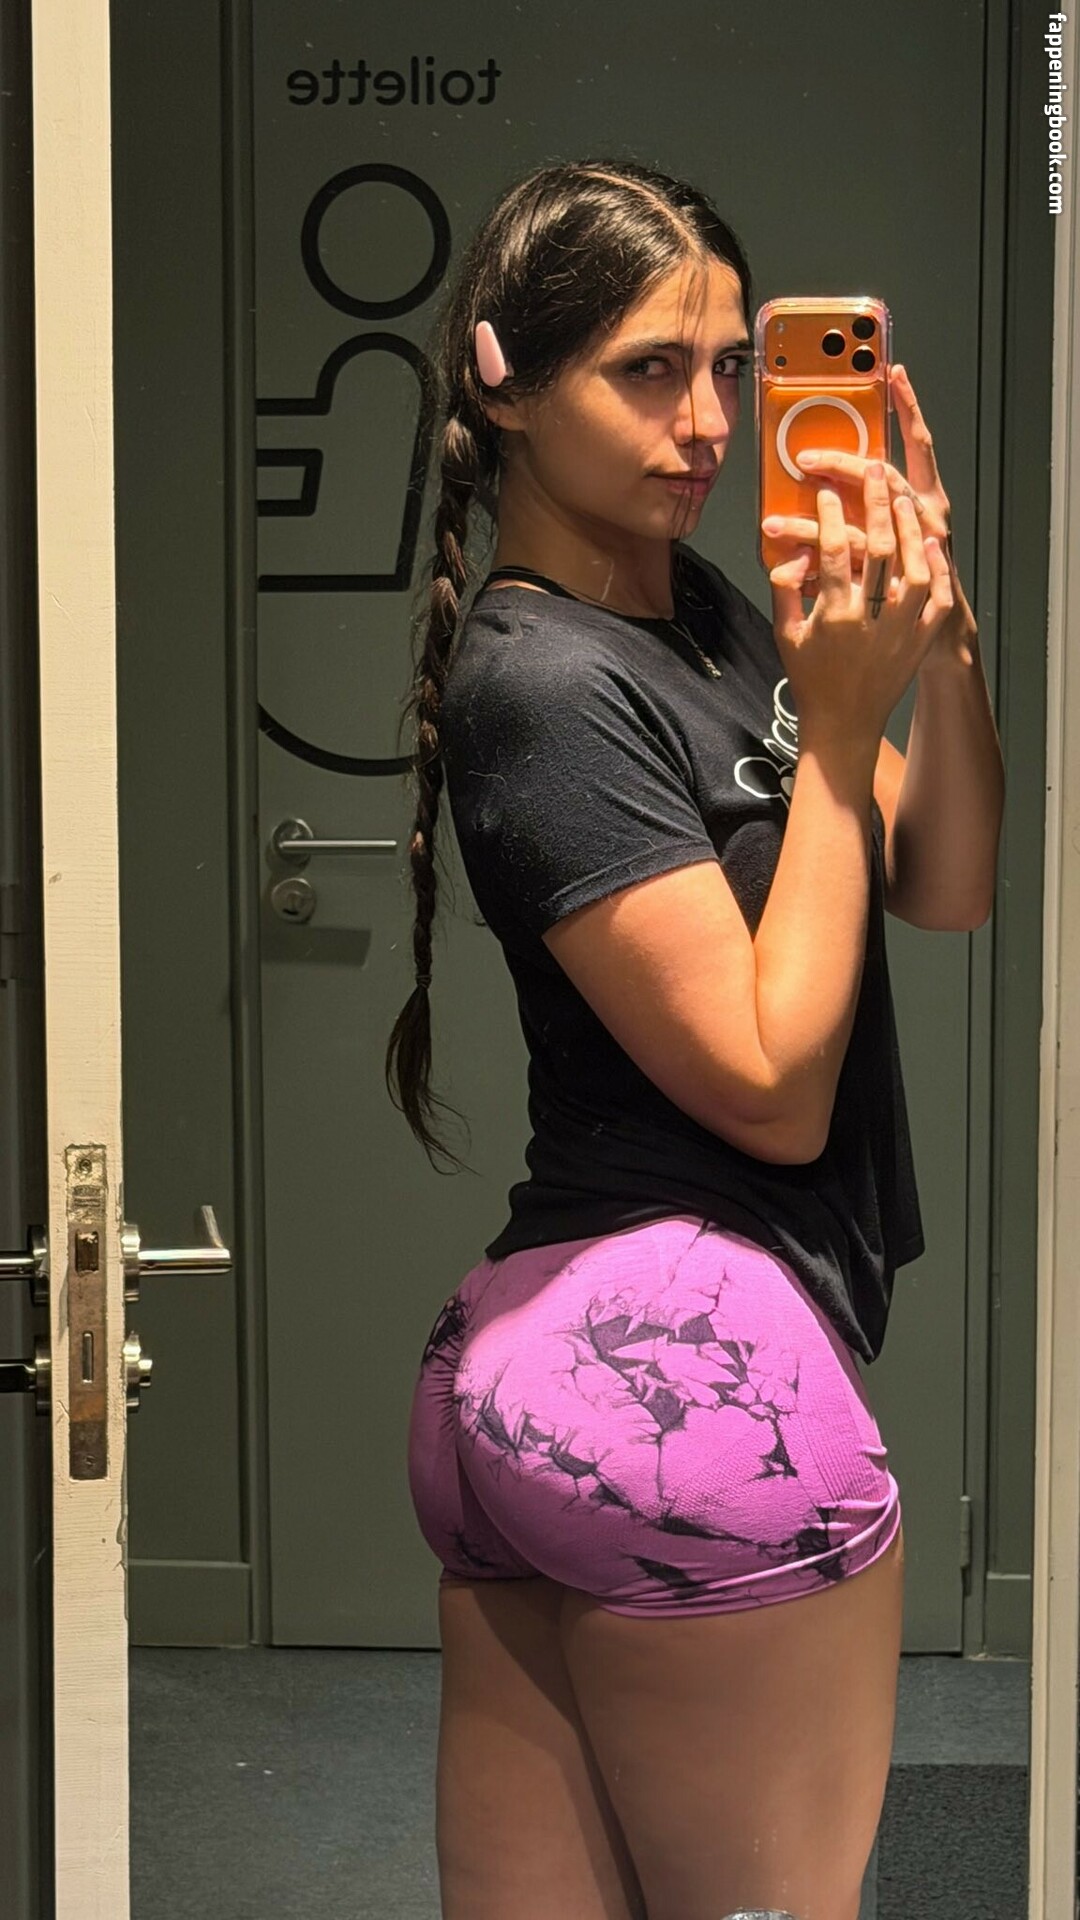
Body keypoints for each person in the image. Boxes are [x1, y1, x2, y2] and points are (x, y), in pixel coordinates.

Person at [384, 158, 980, 1920]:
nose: (709, 423)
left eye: (730, 367)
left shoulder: (708, 614)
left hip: (541, 1374)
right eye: (649, 370)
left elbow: (947, 878)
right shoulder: (545, 682)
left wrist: (932, 633)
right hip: (691, 1371)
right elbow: (774, 1092)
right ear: (505, 384)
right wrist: (842, 723)